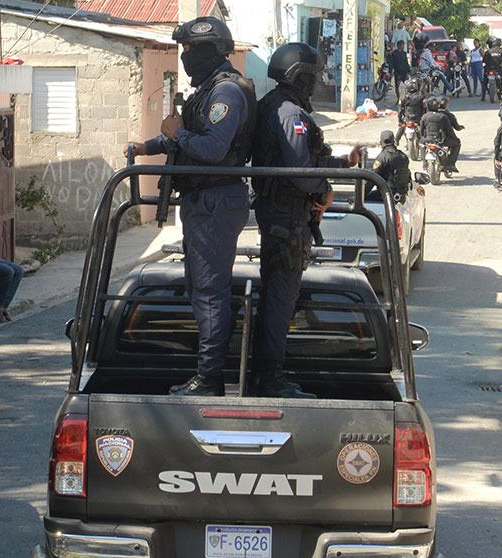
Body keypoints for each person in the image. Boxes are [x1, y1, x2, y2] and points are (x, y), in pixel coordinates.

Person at [123, 16, 256, 397]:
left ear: (209, 52)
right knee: (201, 289)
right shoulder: (209, 89)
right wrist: (147, 147)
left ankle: (210, 380)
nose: (184, 59)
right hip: (205, 200)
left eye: (189, 51)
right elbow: (184, 137)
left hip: (216, 199)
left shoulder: (226, 93)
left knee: (210, 293)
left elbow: (212, 149)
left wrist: (175, 133)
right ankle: (207, 374)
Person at [252, 42, 362, 398]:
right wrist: (323, 190)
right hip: (287, 215)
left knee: (278, 294)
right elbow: (300, 172)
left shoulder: (279, 107)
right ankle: (271, 380)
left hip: (284, 212)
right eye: (311, 77)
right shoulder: (289, 113)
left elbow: (303, 163)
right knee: (280, 297)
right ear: (297, 76)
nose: (314, 84)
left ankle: (267, 374)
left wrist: (343, 164)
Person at [366, 130, 411, 203]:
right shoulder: (403, 156)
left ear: (381, 142)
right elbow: (407, 176)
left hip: (386, 196)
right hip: (402, 197)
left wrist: (361, 196)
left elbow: (372, 179)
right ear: (393, 141)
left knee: (366, 200)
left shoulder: (382, 158)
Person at [420, 96, 463, 174]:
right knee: (457, 144)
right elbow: (449, 131)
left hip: (428, 139)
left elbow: (421, 131)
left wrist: (424, 138)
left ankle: (424, 163)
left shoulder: (424, 116)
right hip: (440, 140)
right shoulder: (443, 116)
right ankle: (450, 164)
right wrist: (456, 139)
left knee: (422, 144)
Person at [392, 75, 427, 149]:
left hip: (408, 118)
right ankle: (425, 143)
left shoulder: (403, 97)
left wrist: (400, 120)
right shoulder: (421, 96)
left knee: (401, 128)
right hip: (419, 118)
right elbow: (425, 107)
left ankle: (396, 141)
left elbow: (400, 110)